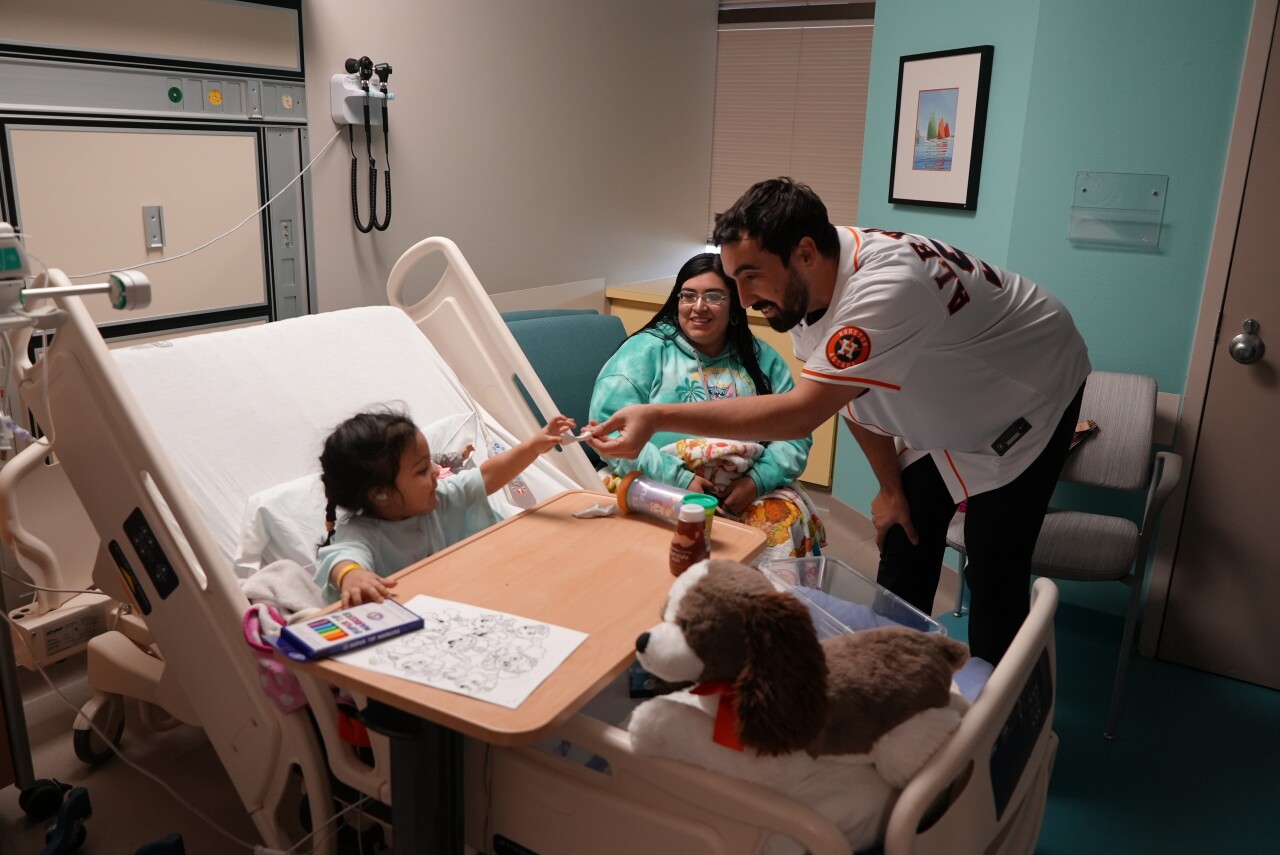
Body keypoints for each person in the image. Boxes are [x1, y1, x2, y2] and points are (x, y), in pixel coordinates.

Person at [589, 178, 1090, 663]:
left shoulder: (884, 287)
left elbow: (804, 411)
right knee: (903, 527)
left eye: (751, 277)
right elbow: (851, 399)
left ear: (805, 253)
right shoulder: (817, 277)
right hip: (952, 399)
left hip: (1028, 394)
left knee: (993, 563)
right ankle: (893, 667)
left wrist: (656, 416)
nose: (743, 302)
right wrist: (889, 488)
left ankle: (996, 710)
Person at [589, 252, 825, 560]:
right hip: (657, 479)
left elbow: (796, 431)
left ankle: (759, 608)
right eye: (688, 296)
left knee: (783, 521)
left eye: (713, 296)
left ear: (735, 305)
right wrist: (680, 479)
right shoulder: (644, 352)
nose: (698, 307)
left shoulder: (761, 359)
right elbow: (609, 427)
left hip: (743, 487)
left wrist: (755, 482)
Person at [317, 407, 575, 606]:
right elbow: (342, 557)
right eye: (420, 470)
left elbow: (486, 476)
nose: (434, 472)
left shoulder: (441, 497)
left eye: (429, 462)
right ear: (381, 494)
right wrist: (352, 576)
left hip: (474, 596)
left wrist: (533, 446)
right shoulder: (362, 533)